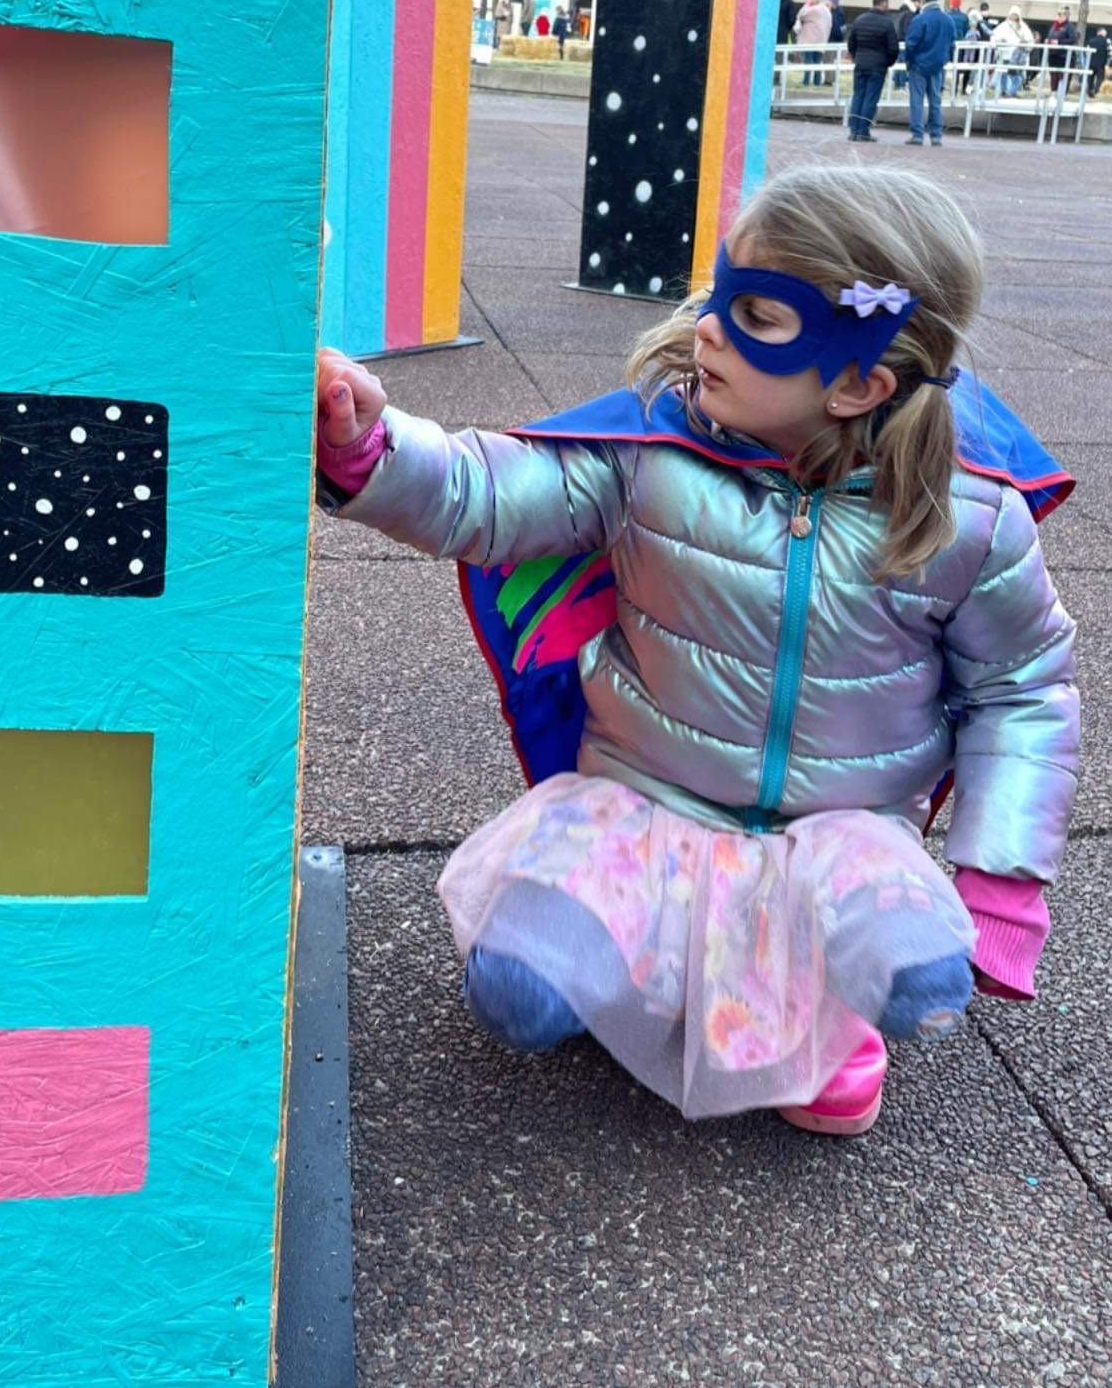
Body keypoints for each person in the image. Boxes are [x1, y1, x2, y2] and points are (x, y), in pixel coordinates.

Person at [316, 163, 1078, 1136]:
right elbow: (484, 493)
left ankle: (820, 1010)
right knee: (516, 993)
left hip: (837, 839)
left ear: (858, 380)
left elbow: (1025, 695)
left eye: (758, 313)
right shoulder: (651, 458)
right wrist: (371, 448)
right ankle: (643, 954)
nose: (708, 326)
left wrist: (1001, 879)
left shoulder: (968, 520)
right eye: (721, 288)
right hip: (645, 809)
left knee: (922, 975)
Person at [902, 0, 956, 146]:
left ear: (922, 0)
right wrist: (945, 60)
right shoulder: (948, 20)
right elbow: (952, 44)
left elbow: (911, 44)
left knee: (917, 100)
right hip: (938, 66)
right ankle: (936, 135)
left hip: (919, 64)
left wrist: (909, 61)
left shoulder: (920, 19)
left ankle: (917, 134)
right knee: (935, 101)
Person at [844, 0, 899, 141]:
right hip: (877, 66)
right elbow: (893, 48)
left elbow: (851, 43)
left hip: (861, 64)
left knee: (858, 96)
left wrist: (857, 56)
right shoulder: (887, 23)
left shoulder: (859, 20)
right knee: (870, 98)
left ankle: (854, 130)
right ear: (884, 3)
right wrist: (888, 62)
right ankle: (863, 131)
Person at [991, 7, 1035, 98]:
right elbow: (994, 36)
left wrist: (1026, 49)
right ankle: (1004, 91)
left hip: (1017, 56)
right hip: (1005, 54)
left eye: (1015, 14)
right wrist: (996, 47)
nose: (1013, 16)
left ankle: (1011, 92)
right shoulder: (1003, 25)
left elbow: (1030, 40)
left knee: (1017, 76)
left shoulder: (1023, 26)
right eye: (1012, 14)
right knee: (1004, 73)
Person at [792, 0, 832, 85]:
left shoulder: (814, 9)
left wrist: (807, 4)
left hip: (810, 39)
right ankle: (817, 82)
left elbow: (801, 15)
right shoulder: (827, 11)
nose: (811, 0)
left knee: (808, 61)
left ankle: (806, 81)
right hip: (821, 41)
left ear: (816, 0)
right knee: (817, 62)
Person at [1047, 7, 1078, 93]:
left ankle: (1062, 93)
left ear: (1066, 16)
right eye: (1059, 15)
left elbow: (1073, 39)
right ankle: (1053, 92)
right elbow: (1050, 36)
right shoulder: (1054, 26)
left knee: (1063, 76)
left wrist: (1059, 42)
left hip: (1064, 57)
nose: (1060, 17)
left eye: (1063, 15)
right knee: (1053, 76)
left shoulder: (1070, 27)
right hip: (1053, 55)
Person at [1089, 27, 1109, 96]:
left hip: (1091, 62)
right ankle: (1096, 91)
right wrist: (1108, 63)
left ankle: (1089, 90)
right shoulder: (1107, 41)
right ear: (1101, 32)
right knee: (1100, 78)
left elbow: (1087, 52)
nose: (1106, 34)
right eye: (1105, 32)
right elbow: (1110, 52)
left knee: (1090, 78)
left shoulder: (1091, 41)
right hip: (1101, 63)